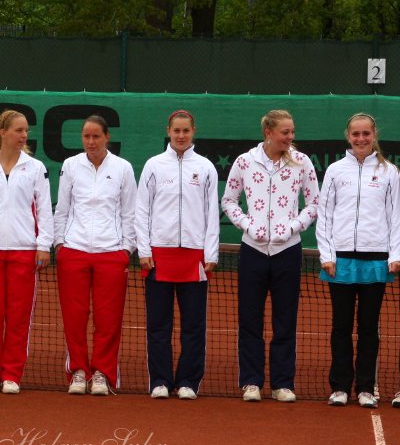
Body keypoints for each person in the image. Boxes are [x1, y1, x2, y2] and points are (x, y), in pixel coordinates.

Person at [222, 109, 319, 403]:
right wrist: (248, 225)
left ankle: (282, 384)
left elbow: (314, 203)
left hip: (287, 252)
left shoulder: (302, 162)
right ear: (268, 132)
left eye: (292, 132)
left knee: (285, 320)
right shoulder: (244, 162)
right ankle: (251, 382)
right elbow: (229, 201)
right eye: (285, 133)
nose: (291, 137)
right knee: (250, 319)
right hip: (252, 252)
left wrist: (291, 227)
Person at [0, 109, 53, 395]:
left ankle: (12, 374)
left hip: (23, 251)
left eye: (26, 130)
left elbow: (44, 209)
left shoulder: (36, 168)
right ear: (2, 132)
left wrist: (43, 245)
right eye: (18, 130)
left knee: (19, 314)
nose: (24, 135)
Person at [315, 114, 398, 409]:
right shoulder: (336, 171)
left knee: (368, 327)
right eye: (356, 134)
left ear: (374, 134)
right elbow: (324, 215)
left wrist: (395, 255)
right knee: (340, 326)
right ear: (347, 136)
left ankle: (365, 388)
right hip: (340, 261)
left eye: (366, 133)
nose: (361, 139)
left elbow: (396, 216)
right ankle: (339, 387)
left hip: (376, 260)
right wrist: (326, 255)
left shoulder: (390, 172)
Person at [135, 110, 219, 399]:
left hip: (194, 258)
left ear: (193, 131)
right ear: (168, 131)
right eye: (176, 131)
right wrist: (144, 249)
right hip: (159, 256)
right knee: (159, 324)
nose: (181, 135)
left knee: (193, 326)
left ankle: (187, 382)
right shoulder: (153, 166)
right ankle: (159, 380)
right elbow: (142, 209)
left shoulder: (206, 167)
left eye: (186, 130)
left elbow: (211, 214)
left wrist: (211, 252)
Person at [53, 115, 137, 396]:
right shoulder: (70, 166)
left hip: (111, 253)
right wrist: (59, 245)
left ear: (107, 137)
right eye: (86, 136)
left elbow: (129, 212)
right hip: (73, 252)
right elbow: (62, 208)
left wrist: (127, 249)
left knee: (108, 317)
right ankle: (78, 370)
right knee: (74, 316)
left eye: (95, 136)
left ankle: (101, 372)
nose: (90, 142)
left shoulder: (123, 168)